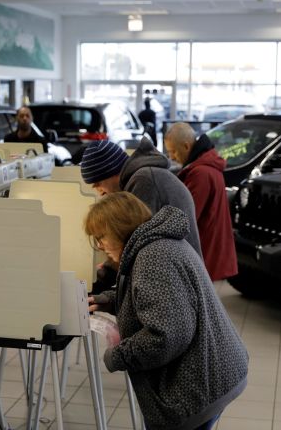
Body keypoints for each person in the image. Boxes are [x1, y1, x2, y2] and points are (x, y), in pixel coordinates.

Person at [85, 192, 248, 430]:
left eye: (101, 237)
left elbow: (166, 336)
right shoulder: (155, 244)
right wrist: (109, 300)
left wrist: (118, 356)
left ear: (120, 228)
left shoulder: (153, 257)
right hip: (214, 371)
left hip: (199, 385)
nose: (100, 246)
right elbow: (157, 298)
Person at [80, 138, 202, 293]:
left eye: (97, 182)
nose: (98, 190)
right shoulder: (143, 176)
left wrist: (102, 279)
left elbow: (133, 242)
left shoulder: (144, 180)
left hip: (178, 280)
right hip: (178, 272)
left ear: (112, 171)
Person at [164, 123, 238, 281]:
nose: (171, 157)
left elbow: (187, 217)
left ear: (186, 146)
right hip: (211, 246)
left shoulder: (200, 173)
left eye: (173, 151)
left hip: (206, 249)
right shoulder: (205, 167)